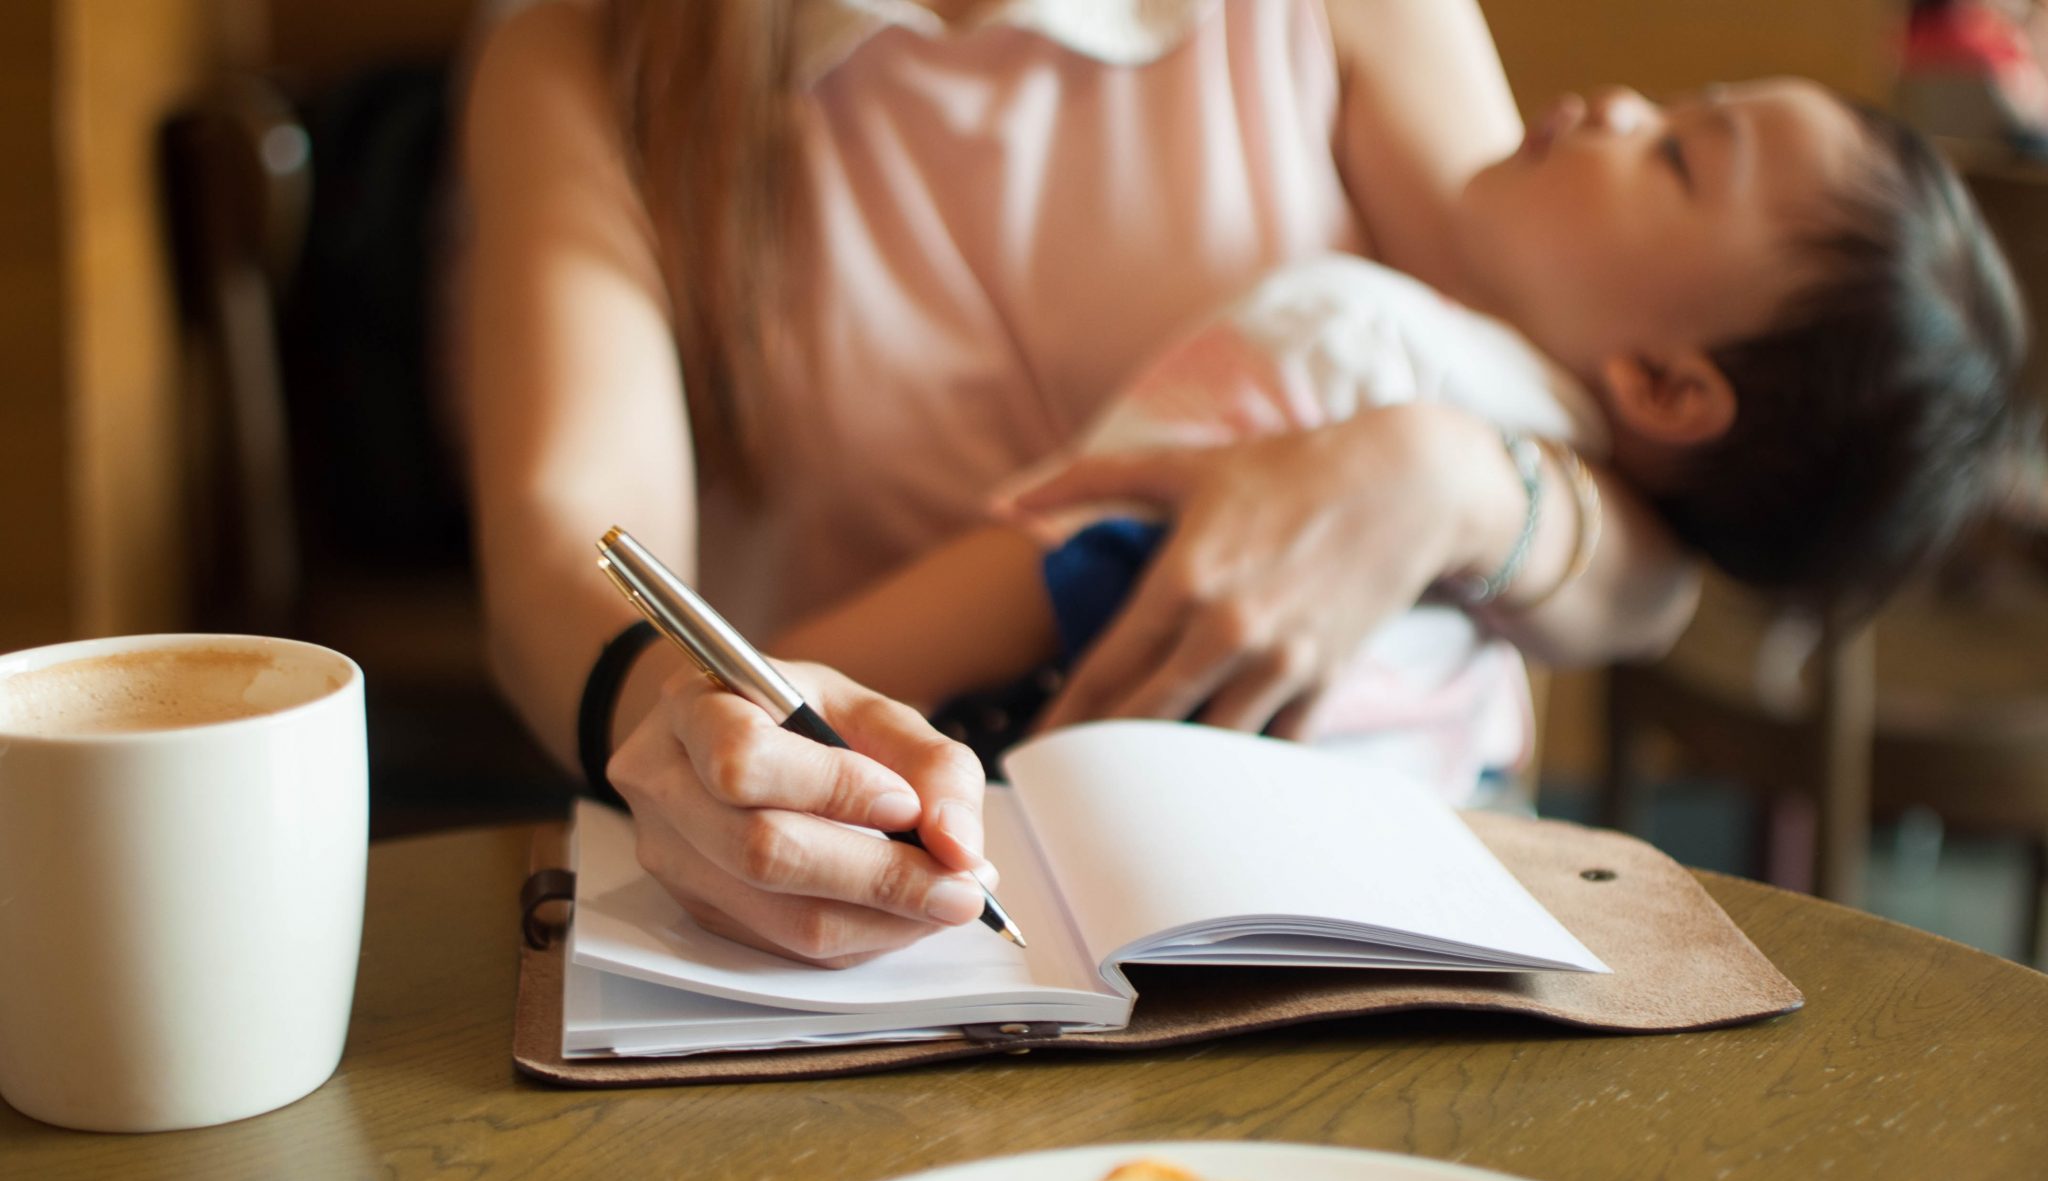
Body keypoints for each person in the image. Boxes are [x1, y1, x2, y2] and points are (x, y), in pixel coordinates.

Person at [461, 0, 1711, 968]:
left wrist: (1448, 482)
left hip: (1361, 896)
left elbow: (1645, 568)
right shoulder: (595, 53)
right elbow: (563, 540)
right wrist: (682, 708)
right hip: (870, 900)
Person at [776, 80, 2032, 795]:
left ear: (1661, 381)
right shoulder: (1525, 567)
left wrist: (770, 684)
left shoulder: (1351, 344)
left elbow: (1060, 564)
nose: (1615, 104)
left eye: (1675, 155)